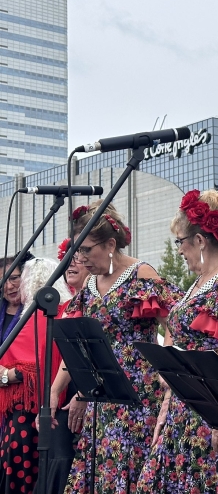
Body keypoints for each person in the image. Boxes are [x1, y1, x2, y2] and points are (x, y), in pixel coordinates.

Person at [49, 201, 181, 494]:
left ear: (110, 244)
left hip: (140, 394)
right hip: (102, 396)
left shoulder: (141, 274)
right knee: (102, 470)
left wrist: (167, 372)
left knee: (133, 468)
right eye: (77, 249)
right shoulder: (91, 284)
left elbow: (176, 327)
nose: (80, 258)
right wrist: (56, 390)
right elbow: (78, 347)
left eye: (87, 249)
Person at [136, 189, 218, 493]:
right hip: (184, 407)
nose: (178, 250)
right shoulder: (201, 281)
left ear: (200, 241)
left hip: (211, 409)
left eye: (181, 241)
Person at [0, 253, 73, 493]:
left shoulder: (39, 315)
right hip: (34, 411)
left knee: (25, 468)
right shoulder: (60, 311)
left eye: (17, 279)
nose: (12, 286)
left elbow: (27, 367)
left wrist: (10, 376)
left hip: (31, 413)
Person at [48, 239, 91, 494]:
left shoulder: (95, 299)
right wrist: (53, 391)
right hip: (66, 393)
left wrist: (84, 392)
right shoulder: (63, 307)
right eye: (67, 257)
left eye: (78, 256)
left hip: (89, 391)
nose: (71, 262)